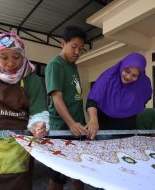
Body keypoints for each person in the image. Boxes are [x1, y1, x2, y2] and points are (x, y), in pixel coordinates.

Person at [0, 32, 49, 190]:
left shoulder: (31, 79)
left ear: (23, 55)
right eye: (4, 57)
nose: (10, 63)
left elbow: (38, 109)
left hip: (19, 144)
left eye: (16, 57)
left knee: (18, 184)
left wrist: (38, 125)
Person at [45, 26, 86, 190]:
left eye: (81, 49)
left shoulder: (73, 66)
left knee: (79, 170)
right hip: (62, 128)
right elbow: (57, 97)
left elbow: (76, 98)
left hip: (76, 126)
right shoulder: (55, 65)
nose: (77, 52)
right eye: (74, 46)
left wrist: (81, 123)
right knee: (58, 174)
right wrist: (71, 123)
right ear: (63, 44)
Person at [86, 52, 152, 140]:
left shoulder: (143, 84)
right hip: (105, 130)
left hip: (128, 132)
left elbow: (145, 98)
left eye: (134, 75)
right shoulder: (108, 77)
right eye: (127, 71)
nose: (128, 77)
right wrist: (93, 120)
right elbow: (92, 100)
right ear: (122, 66)